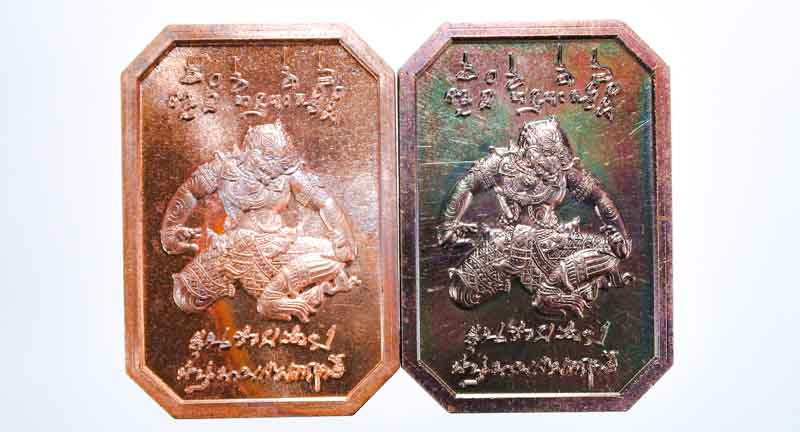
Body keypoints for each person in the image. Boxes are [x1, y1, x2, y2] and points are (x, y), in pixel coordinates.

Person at [159, 121, 359, 322]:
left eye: (282, 163)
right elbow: (189, 191)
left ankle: (272, 297)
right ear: (254, 154)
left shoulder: (286, 174)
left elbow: (323, 202)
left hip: (276, 246)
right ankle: (272, 296)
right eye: (274, 162)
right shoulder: (224, 169)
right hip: (236, 249)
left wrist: (343, 236)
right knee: (187, 295)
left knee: (334, 257)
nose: (277, 171)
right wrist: (170, 232)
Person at [438, 117, 631, 318]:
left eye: (555, 154)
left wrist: (622, 237)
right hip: (507, 244)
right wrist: (447, 227)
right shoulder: (502, 163)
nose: (551, 160)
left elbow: (599, 198)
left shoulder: (562, 171)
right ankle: (551, 287)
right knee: (461, 292)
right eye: (545, 153)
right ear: (528, 149)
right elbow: (467, 185)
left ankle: (549, 290)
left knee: (611, 253)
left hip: (550, 243)